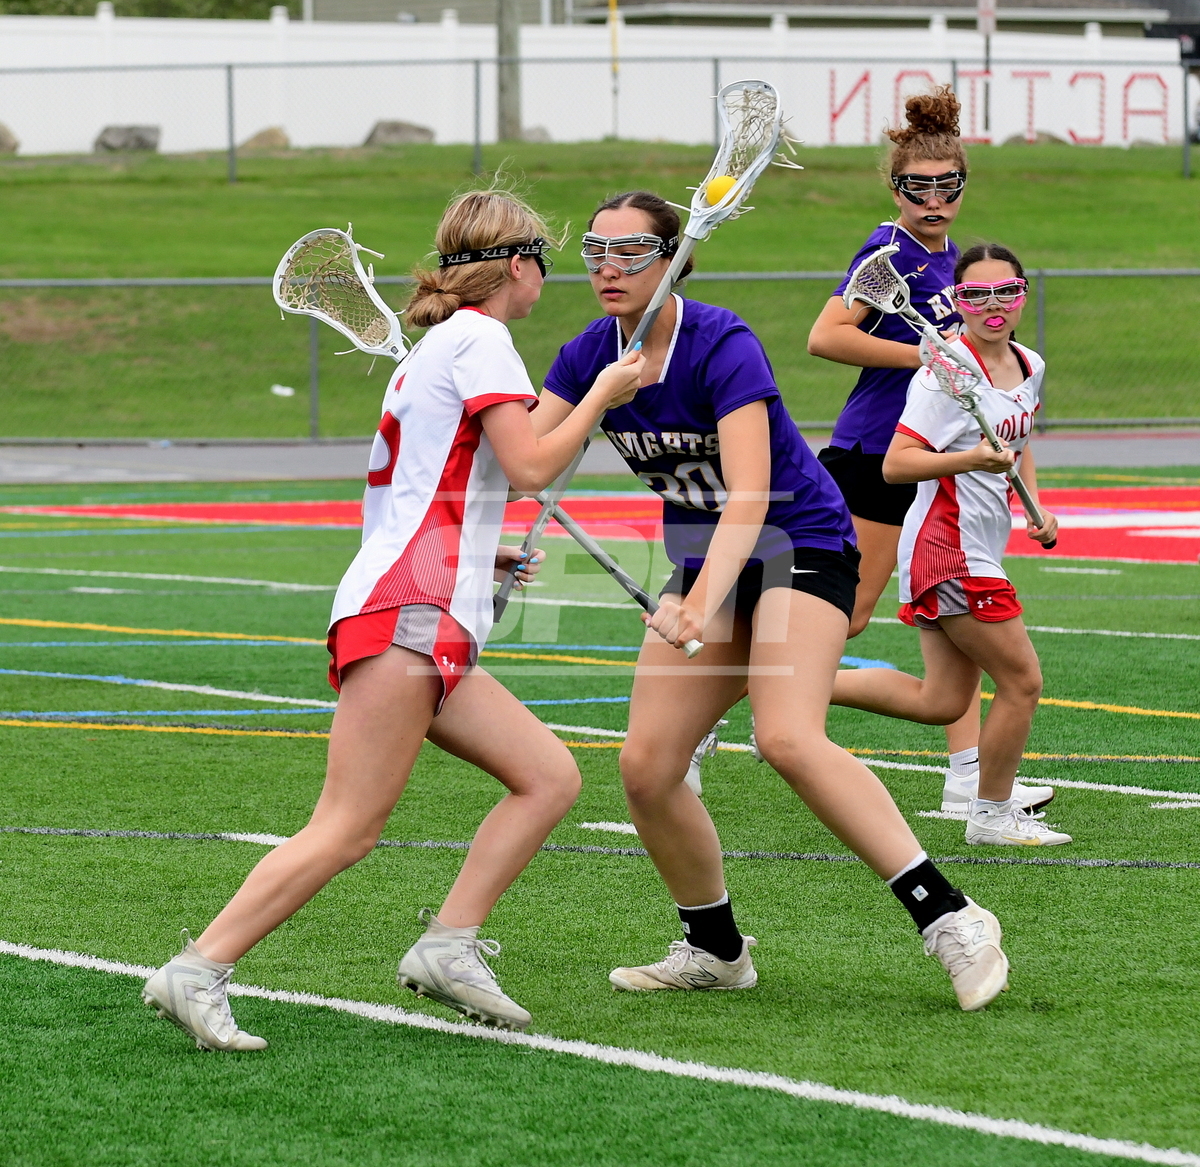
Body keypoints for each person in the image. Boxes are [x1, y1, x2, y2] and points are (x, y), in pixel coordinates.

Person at [141, 187, 644, 1049]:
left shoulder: (442, 345)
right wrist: (601, 394)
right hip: (410, 607)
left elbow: (432, 486)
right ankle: (198, 968)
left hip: (420, 601)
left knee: (549, 777)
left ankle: (449, 945)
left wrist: (481, 553)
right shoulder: (481, 338)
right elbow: (529, 467)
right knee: (348, 825)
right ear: (516, 266)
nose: (547, 280)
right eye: (544, 263)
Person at [535, 189, 1011, 1012]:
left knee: (787, 735)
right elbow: (527, 462)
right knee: (647, 766)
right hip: (707, 560)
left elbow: (752, 494)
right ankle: (715, 948)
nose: (608, 268)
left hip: (800, 543)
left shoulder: (721, 341)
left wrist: (698, 602)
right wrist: (592, 399)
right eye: (596, 252)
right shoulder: (585, 358)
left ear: (673, 260)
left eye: (631, 252)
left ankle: (951, 916)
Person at [807, 86, 1052, 817]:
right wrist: (924, 355)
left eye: (949, 185)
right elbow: (826, 336)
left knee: (955, 629)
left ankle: (968, 777)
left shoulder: (954, 264)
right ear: (896, 189)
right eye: (919, 187)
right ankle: (727, 701)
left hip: (940, 456)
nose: (935, 199)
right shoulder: (889, 252)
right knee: (848, 612)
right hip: (879, 449)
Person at [830, 243, 1069, 848]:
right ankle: (990, 814)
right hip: (948, 548)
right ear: (957, 301)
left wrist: (1036, 506)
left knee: (941, 700)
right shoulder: (944, 375)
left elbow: (1017, 444)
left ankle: (785, 687)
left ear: (1023, 294)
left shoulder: (1029, 363)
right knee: (1022, 682)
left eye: (1006, 291)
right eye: (976, 294)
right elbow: (896, 464)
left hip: (976, 544)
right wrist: (970, 459)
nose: (993, 304)